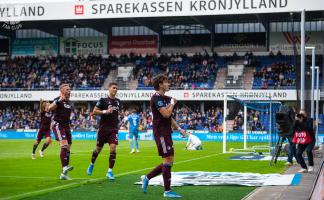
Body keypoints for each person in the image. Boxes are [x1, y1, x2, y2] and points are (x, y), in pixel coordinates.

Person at [141, 74, 186, 198]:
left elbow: (169, 117)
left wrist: (179, 129)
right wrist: (172, 104)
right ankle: (167, 191)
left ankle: (147, 177)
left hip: (166, 131)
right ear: (160, 84)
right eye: (166, 82)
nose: (168, 84)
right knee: (168, 160)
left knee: (169, 160)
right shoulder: (156, 98)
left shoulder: (166, 98)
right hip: (160, 132)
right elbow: (166, 114)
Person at [87, 82, 121, 180]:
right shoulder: (103, 100)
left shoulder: (118, 101)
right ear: (109, 89)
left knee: (113, 148)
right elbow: (94, 111)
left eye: (116, 88)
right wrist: (105, 111)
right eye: (114, 88)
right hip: (103, 129)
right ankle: (92, 164)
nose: (115, 89)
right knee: (98, 149)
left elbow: (116, 113)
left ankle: (109, 171)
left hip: (114, 129)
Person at [47, 84, 74, 180]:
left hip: (66, 126)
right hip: (58, 125)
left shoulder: (70, 103)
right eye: (67, 89)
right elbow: (49, 108)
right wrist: (59, 100)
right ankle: (64, 167)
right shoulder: (58, 99)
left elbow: (66, 115)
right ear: (62, 91)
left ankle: (64, 174)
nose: (69, 91)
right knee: (64, 146)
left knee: (68, 148)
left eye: (70, 89)